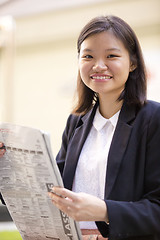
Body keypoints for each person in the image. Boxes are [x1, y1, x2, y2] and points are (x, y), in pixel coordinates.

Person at [47, 15, 160, 240]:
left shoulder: (153, 119)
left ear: (133, 62)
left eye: (111, 55)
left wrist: (105, 211)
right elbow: (53, 189)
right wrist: (8, 168)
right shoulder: (75, 122)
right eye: (88, 56)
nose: (98, 65)